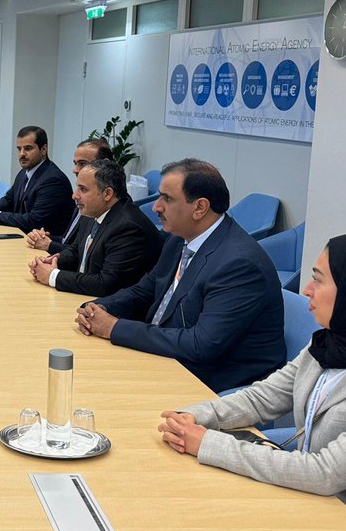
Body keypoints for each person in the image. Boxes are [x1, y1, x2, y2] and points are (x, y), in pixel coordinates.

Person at [159, 233, 346, 531]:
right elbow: (262, 398)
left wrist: (207, 443)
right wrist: (189, 417)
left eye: (319, 280)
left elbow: (325, 473)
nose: (307, 289)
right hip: (311, 502)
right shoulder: (329, 345)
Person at [75, 158, 284, 392]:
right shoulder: (178, 239)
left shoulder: (240, 265)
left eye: (167, 199)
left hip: (210, 381)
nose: (156, 207)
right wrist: (98, 308)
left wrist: (114, 328)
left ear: (200, 207)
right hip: (167, 359)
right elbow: (144, 291)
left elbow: (200, 345)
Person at [29, 158, 162, 297]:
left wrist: (53, 276)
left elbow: (106, 284)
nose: (74, 195)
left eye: (83, 189)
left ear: (107, 194)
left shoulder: (128, 227)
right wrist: (54, 261)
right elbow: (76, 251)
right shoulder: (93, 211)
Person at [0, 126, 74, 236]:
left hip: (44, 241)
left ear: (44, 149)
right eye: (19, 149)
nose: (22, 154)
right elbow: (10, 199)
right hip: (23, 234)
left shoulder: (53, 180)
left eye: (28, 148)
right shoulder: (24, 173)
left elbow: (34, 221)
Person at [26, 137, 113, 254]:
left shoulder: (99, 205)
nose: (75, 170)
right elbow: (69, 242)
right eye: (75, 163)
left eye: (82, 164)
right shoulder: (83, 198)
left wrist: (49, 245)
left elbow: (84, 253)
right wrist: (43, 239)